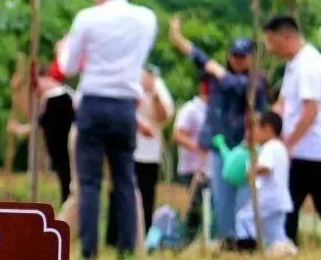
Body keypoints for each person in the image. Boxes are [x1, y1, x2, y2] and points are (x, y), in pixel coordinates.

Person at [59, 0, 156, 260]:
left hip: (94, 102)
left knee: (89, 182)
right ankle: (126, 251)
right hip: (125, 105)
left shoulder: (88, 18)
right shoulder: (146, 18)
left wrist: (64, 49)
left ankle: (90, 250)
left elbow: (69, 66)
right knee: (125, 180)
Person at [264, 15, 321, 259]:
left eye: (272, 42)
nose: (270, 48)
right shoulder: (294, 65)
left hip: (314, 149)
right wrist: (267, 129)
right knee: (294, 202)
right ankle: (288, 246)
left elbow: (310, 111)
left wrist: (288, 143)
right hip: (301, 149)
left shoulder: (309, 66)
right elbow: (284, 104)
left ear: (287, 37)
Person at [168, 16, 268, 246]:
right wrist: (177, 37)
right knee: (221, 195)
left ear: (251, 58)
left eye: (243, 56)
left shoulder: (256, 81)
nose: (237, 60)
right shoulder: (216, 76)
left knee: (244, 194)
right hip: (219, 144)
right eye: (234, 55)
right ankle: (227, 238)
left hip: (244, 146)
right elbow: (198, 57)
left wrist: (220, 73)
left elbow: (238, 87)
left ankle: (246, 237)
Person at [108, 65, 174, 245]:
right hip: (123, 148)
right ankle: (114, 238)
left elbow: (164, 117)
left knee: (146, 197)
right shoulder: (124, 79)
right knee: (118, 195)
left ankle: (140, 239)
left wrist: (152, 92)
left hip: (149, 154)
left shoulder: (158, 85)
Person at [10, 62, 75, 205]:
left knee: (68, 187)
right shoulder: (56, 98)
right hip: (63, 158)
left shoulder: (59, 100)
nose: (35, 92)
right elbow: (37, 119)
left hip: (67, 157)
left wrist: (19, 129)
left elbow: (38, 125)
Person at [235, 112, 296, 255]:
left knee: (243, 218)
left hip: (268, 198)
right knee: (275, 232)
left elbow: (265, 167)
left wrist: (251, 170)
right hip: (280, 200)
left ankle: (248, 249)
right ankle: (286, 250)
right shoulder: (280, 147)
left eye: (256, 129)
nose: (254, 133)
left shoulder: (270, 147)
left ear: (267, 129)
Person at [173, 77, 211, 242]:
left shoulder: (215, 111)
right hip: (191, 170)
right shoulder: (191, 109)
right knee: (192, 211)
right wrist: (197, 146)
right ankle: (183, 243)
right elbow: (177, 135)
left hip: (210, 170)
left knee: (208, 212)